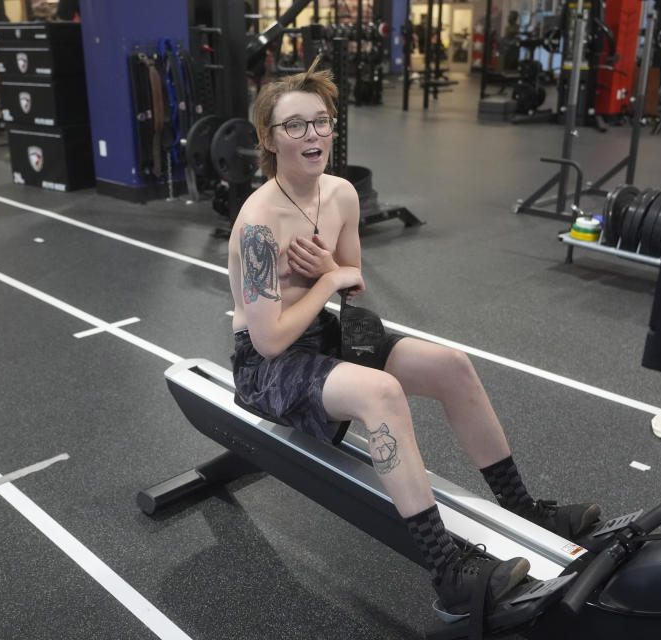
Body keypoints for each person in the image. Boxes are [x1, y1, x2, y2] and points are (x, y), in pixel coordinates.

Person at [227, 57, 600, 616]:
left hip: (319, 333)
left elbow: (353, 280)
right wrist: (328, 277)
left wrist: (332, 270)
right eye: (295, 125)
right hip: (265, 366)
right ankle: (447, 573)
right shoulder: (258, 226)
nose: (313, 134)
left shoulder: (342, 195)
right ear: (269, 138)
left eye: (322, 121)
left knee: (451, 365)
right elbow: (272, 341)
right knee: (382, 396)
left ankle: (525, 508)